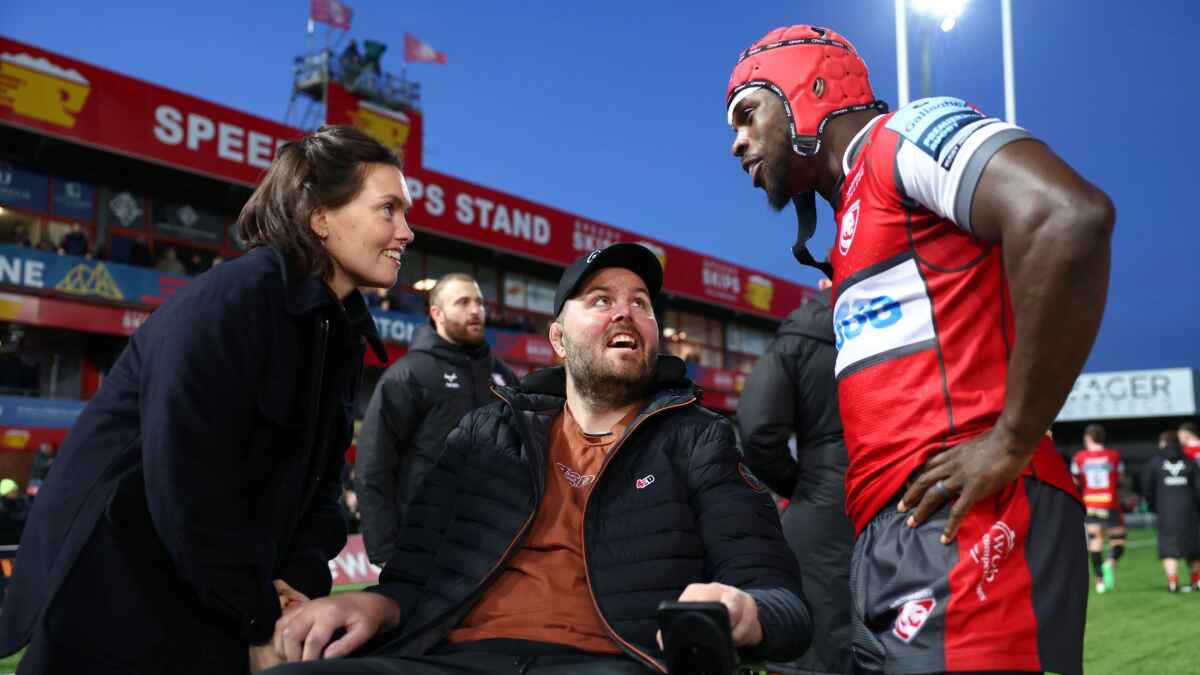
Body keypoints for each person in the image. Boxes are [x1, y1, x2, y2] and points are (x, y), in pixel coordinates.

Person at [725, 25, 1114, 674]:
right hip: (896, 531)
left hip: (970, 517)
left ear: (808, 91)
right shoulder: (854, 216)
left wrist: (1012, 439)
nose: (736, 141)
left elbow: (1066, 216)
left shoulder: (900, 137)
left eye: (747, 112)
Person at [261, 242, 812, 674]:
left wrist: (743, 608)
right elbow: (413, 577)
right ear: (557, 338)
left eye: (640, 303)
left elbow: (783, 603)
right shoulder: (484, 433)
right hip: (450, 658)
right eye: (601, 300)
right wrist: (370, 606)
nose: (625, 312)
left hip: (614, 661)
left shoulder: (701, 439)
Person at [0, 125, 415, 674]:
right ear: (319, 216)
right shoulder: (231, 303)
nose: (406, 232)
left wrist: (296, 592)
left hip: (215, 607)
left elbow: (321, 495)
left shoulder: (339, 336)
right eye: (389, 209)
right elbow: (186, 485)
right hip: (113, 609)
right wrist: (260, 614)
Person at [355, 272, 517, 566]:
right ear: (436, 313)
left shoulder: (503, 376)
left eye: (479, 302)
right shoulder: (409, 374)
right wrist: (385, 553)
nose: (475, 310)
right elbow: (372, 465)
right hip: (425, 548)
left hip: (495, 544)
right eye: (463, 302)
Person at [737, 277, 853, 675]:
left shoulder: (802, 330)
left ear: (824, 280)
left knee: (817, 655)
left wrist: (805, 486)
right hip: (910, 503)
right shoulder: (917, 317)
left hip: (821, 515)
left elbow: (757, 432)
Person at [1070, 424, 1127, 593]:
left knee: (1095, 540)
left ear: (1088, 438)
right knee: (1119, 541)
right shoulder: (1114, 456)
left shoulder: (1079, 457)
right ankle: (1110, 562)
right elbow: (1121, 479)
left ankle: (1100, 581)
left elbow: (1075, 481)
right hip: (1109, 503)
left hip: (1090, 503)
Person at [1142, 431, 1200, 592]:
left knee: (1168, 548)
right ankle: (1196, 581)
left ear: (1163, 443)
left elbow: (1147, 488)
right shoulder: (1190, 462)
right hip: (1189, 511)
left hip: (1165, 510)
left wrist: (1153, 506)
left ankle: (1173, 583)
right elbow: (1198, 487)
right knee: (1193, 547)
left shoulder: (1154, 463)